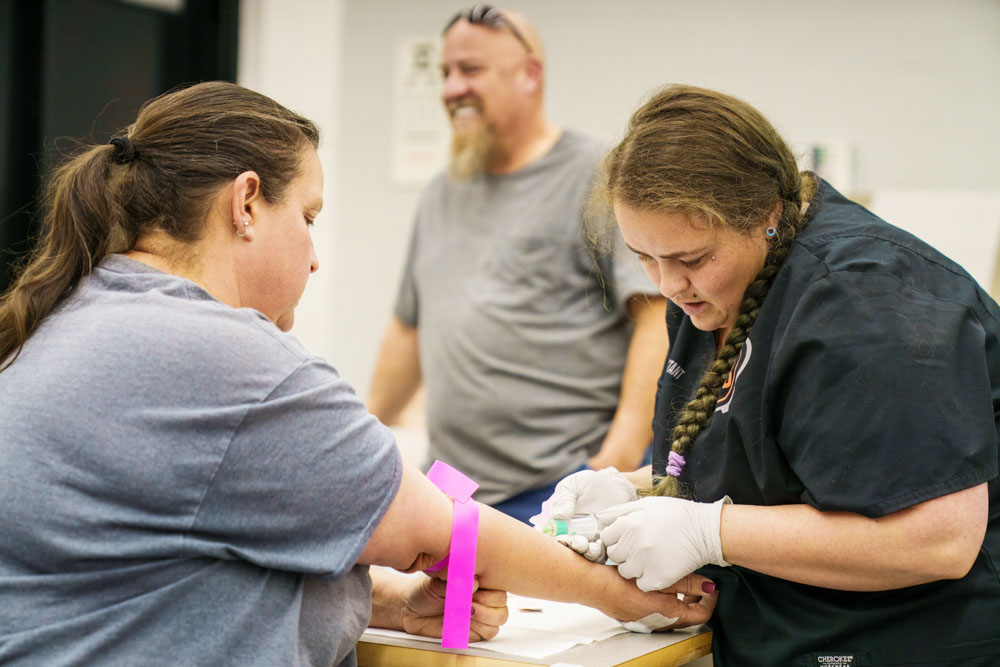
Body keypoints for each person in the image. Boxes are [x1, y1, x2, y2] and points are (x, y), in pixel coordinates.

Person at [0, 81, 717, 666]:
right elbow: (438, 532)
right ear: (246, 203)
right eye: (308, 216)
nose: (314, 256)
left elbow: (161, 562)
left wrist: (390, 602)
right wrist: (620, 594)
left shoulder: (65, 320)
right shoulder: (226, 359)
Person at [545, 84, 1000, 666]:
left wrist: (711, 532)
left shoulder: (869, 302)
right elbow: (781, 464)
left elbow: (939, 541)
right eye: (644, 257)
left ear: (768, 215)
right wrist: (632, 490)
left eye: (690, 258)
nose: (666, 285)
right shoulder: (711, 296)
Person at [367, 4, 667, 523]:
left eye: (471, 70)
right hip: (454, 493)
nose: (451, 88)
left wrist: (615, 462)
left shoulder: (595, 174)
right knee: (446, 609)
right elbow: (407, 331)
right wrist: (360, 438)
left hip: (562, 487)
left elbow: (655, 315)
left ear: (530, 75)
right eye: (444, 73)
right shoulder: (441, 192)